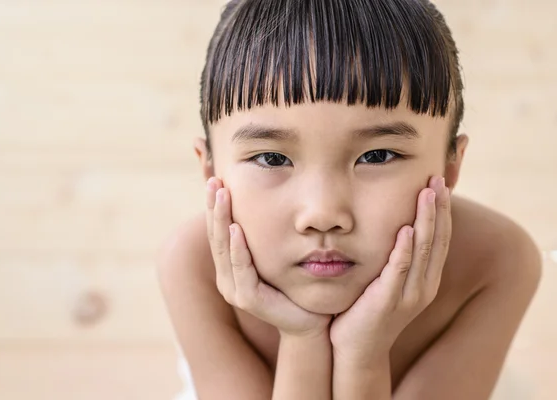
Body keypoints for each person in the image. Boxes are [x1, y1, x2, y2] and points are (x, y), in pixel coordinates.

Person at [158, 0, 542, 398]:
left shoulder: (497, 260)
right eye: (272, 158)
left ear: (449, 168)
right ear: (211, 171)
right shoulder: (192, 264)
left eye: (376, 156)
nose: (323, 213)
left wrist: (363, 354)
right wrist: (302, 338)